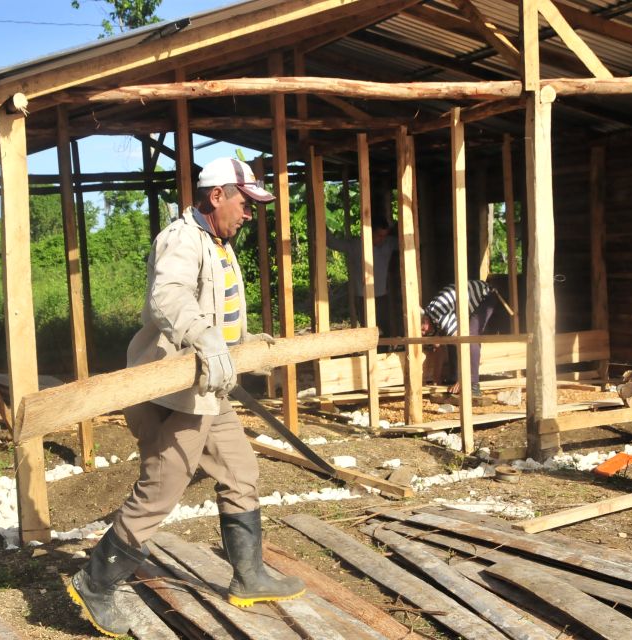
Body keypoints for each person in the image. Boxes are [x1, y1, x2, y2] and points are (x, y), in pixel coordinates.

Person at [68, 158, 305, 636]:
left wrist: (239, 341)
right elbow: (169, 297)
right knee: (162, 488)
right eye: (243, 203)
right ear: (217, 195)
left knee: (240, 471)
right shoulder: (181, 238)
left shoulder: (217, 240)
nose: (248, 214)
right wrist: (206, 337)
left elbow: (216, 308)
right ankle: (95, 582)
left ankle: (249, 575)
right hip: (179, 393)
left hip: (208, 390)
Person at [421, 279, 497, 396]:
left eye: (422, 329)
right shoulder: (429, 321)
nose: (423, 333)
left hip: (484, 295)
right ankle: (454, 378)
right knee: (451, 337)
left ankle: (472, 384)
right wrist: (436, 379)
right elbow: (438, 348)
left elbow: (463, 343)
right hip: (466, 301)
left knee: (470, 337)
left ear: (425, 320)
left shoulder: (438, 315)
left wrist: (463, 379)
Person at [327, 218, 397, 337]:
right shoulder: (356, 245)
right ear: (371, 233)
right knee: (369, 333)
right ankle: (373, 354)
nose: (382, 239)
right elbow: (332, 242)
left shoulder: (388, 243)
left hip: (382, 297)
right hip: (362, 297)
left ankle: (385, 353)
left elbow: (410, 241)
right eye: (379, 235)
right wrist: (321, 223)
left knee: (386, 330)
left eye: (384, 236)